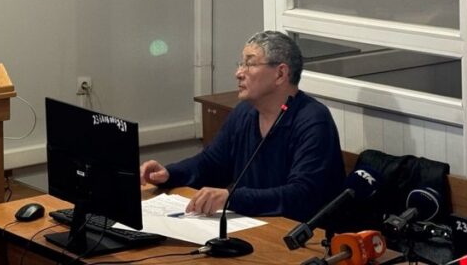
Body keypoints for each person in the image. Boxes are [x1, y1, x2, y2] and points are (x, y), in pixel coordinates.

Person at [139, 31, 344, 222]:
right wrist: (169, 174)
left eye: (250, 64)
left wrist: (231, 198)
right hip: (254, 223)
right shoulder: (245, 112)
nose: (239, 73)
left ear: (280, 74)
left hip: (298, 233)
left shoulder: (313, 120)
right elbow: (211, 163)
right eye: (240, 64)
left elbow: (301, 195)